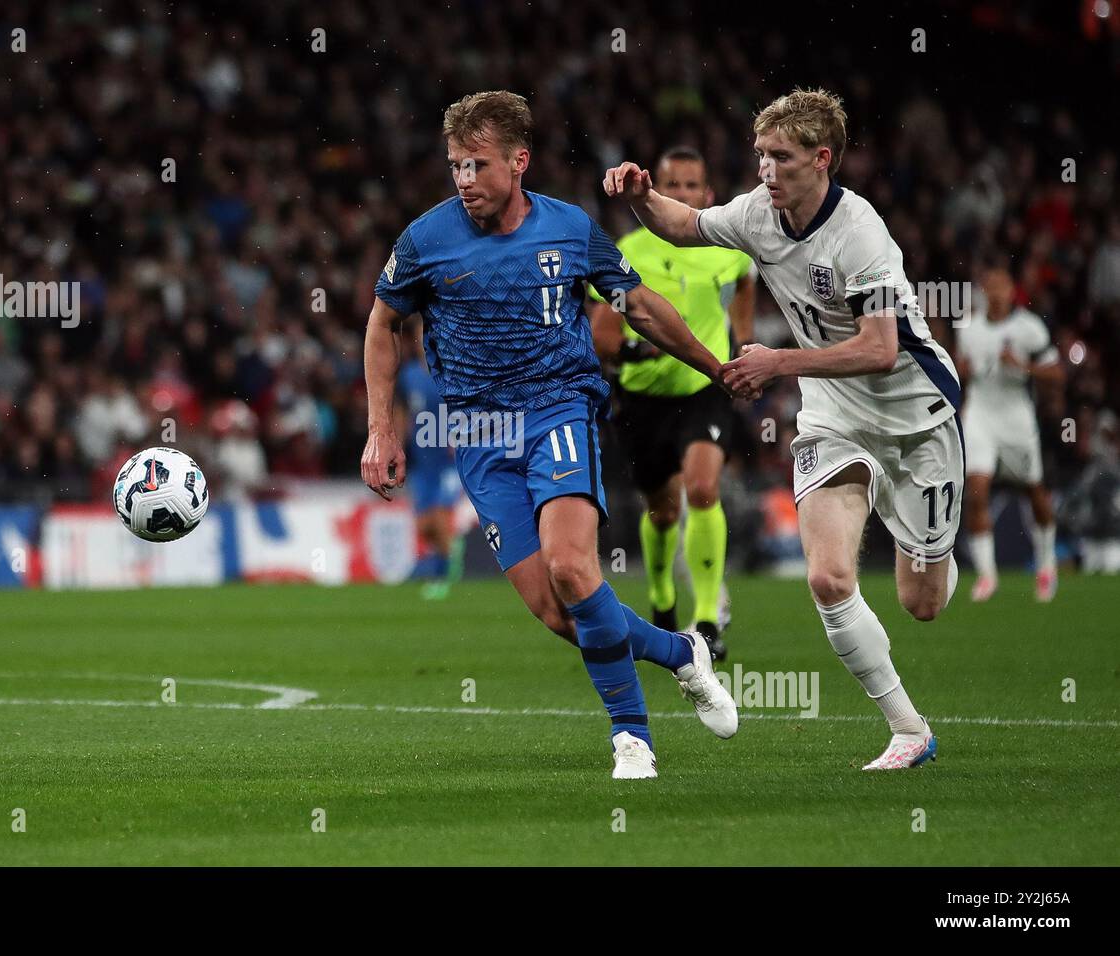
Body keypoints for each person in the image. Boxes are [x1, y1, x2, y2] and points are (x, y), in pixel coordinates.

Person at [362, 91, 741, 779]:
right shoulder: (425, 240)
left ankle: (632, 739)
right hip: (479, 434)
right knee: (558, 611)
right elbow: (383, 322)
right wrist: (379, 428)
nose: (464, 181)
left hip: (557, 412)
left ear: (519, 160)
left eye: (477, 165)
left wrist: (716, 367)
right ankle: (681, 653)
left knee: (573, 568)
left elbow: (643, 309)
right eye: (454, 166)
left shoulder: (569, 230)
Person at [606, 88, 962, 770]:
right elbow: (684, 225)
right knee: (828, 580)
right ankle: (909, 731)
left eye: (782, 157)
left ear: (821, 159)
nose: (766, 170)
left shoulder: (860, 234)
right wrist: (640, 196)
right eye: (760, 155)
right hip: (833, 411)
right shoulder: (756, 215)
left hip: (914, 416)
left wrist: (778, 362)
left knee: (922, 601)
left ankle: (906, 515)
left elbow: (882, 348)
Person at [588, 145, 756, 657]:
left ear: (707, 194)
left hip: (704, 389)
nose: (682, 194)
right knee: (661, 511)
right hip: (642, 401)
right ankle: (662, 599)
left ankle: (707, 620)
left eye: (692, 186)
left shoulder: (727, 248)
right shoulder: (628, 250)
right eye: (673, 185)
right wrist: (629, 350)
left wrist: (741, 347)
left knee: (704, 489)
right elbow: (602, 334)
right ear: (656, 190)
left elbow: (745, 282)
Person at [955, 266, 1064, 601]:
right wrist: (963, 372)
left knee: (1035, 491)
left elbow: (1057, 374)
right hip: (981, 415)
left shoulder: (1029, 328)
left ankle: (1047, 566)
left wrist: (1023, 366)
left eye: (1003, 287)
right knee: (976, 491)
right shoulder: (969, 329)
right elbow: (962, 372)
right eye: (991, 287)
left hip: (1017, 416)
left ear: (1013, 291)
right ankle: (987, 575)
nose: (997, 294)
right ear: (984, 292)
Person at [396, 319, 466, 600]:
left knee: (438, 515)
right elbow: (401, 412)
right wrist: (396, 444)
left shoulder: (452, 373)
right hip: (422, 462)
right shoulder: (409, 375)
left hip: (448, 461)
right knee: (423, 526)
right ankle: (448, 554)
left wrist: (461, 436)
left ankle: (441, 578)